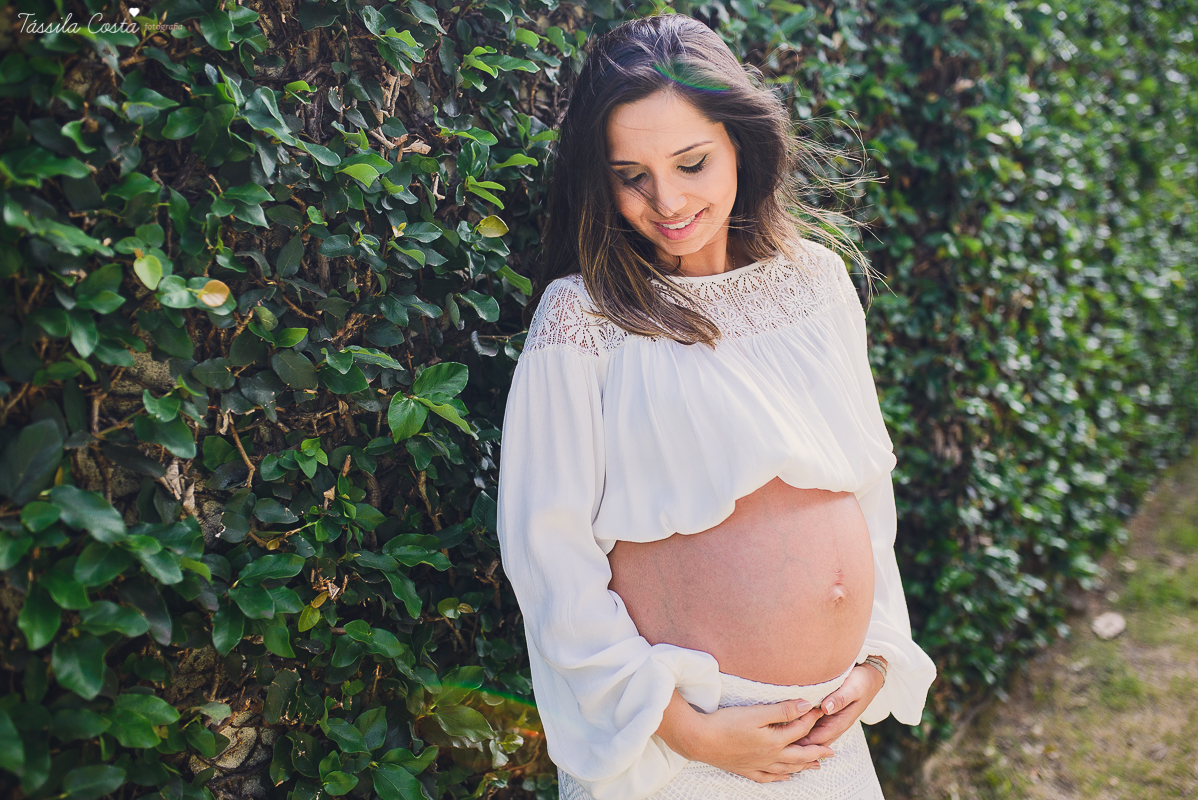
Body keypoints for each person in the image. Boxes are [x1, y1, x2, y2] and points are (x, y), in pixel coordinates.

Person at [496, 13, 937, 800]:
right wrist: (685, 729)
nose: (665, 199)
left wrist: (875, 658)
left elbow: (866, 487)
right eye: (631, 175)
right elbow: (548, 555)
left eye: (692, 162)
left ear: (741, 140)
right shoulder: (583, 317)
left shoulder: (817, 282)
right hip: (682, 745)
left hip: (827, 724)